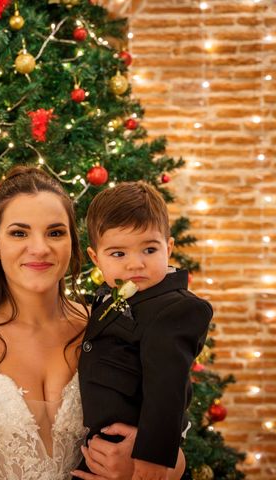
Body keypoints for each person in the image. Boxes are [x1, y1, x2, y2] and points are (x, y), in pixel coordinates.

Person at [0, 166, 136, 480]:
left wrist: (160, 460)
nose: (40, 248)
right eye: (19, 232)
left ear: (72, 242)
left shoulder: (108, 329)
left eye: (55, 232)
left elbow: (163, 428)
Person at [74, 181, 212, 480]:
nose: (135, 264)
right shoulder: (109, 296)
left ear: (169, 247)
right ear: (96, 258)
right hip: (100, 449)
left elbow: (168, 388)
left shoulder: (175, 309)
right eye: (118, 254)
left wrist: (152, 461)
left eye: (149, 249)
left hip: (139, 456)